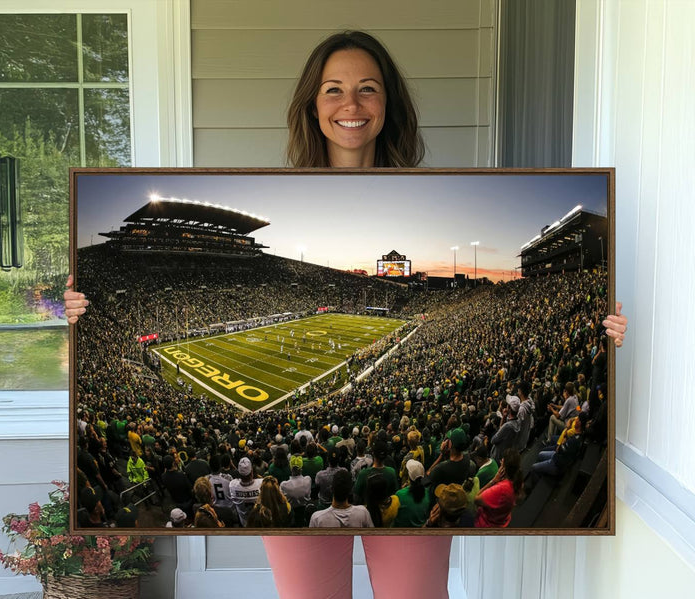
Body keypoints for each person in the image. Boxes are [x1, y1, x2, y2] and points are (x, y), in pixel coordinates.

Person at [64, 29, 628, 599]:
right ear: (312, 104)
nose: (350, 104)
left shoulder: (440, 183)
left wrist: (605, 329)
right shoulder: (271, 182)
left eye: (368, 89)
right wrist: (75, 306)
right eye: (333, 89)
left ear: (389, 104)